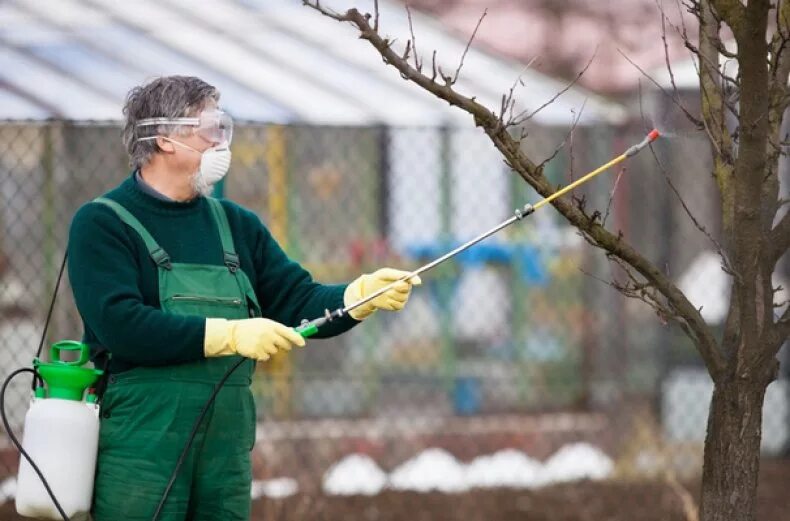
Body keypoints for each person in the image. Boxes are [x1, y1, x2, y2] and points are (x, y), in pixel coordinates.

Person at [67, 75, 420, 521]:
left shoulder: (234, 224)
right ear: (164, 139)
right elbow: (121, 325)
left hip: (225, 447)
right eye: (210, 128)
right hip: (143, 443)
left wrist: (359, 296)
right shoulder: (102, 223)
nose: (222, 141)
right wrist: (229, 334)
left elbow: (298, 300)